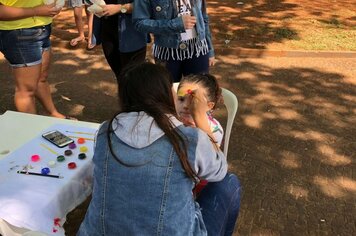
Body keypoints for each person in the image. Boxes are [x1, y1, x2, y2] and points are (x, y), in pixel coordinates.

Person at [78, 62, 241, 236]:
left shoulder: (105, 130)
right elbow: (219, 171)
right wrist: (200, 116)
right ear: (167, 94)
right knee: (229, 182)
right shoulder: (190, 138)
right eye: (180, 96)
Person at [0, 1, 67, 118]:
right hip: (19, 32)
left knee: (41, 78)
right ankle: (31, 130)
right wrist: (37, 11)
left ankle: (53, 114)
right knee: (26, 90)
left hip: (43, 28)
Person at [133, 0, 215, 82]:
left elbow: (204, 17)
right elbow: (139, 22)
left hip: (198, 48)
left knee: (198, 89)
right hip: (166, 52)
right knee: (168, 90)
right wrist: (175, 24)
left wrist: (209, 49)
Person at [92, 0, 147, 81]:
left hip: (132, 34)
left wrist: (121, 8)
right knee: (120, 75)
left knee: (133, 78)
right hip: (108, 31)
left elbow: (147, 5)